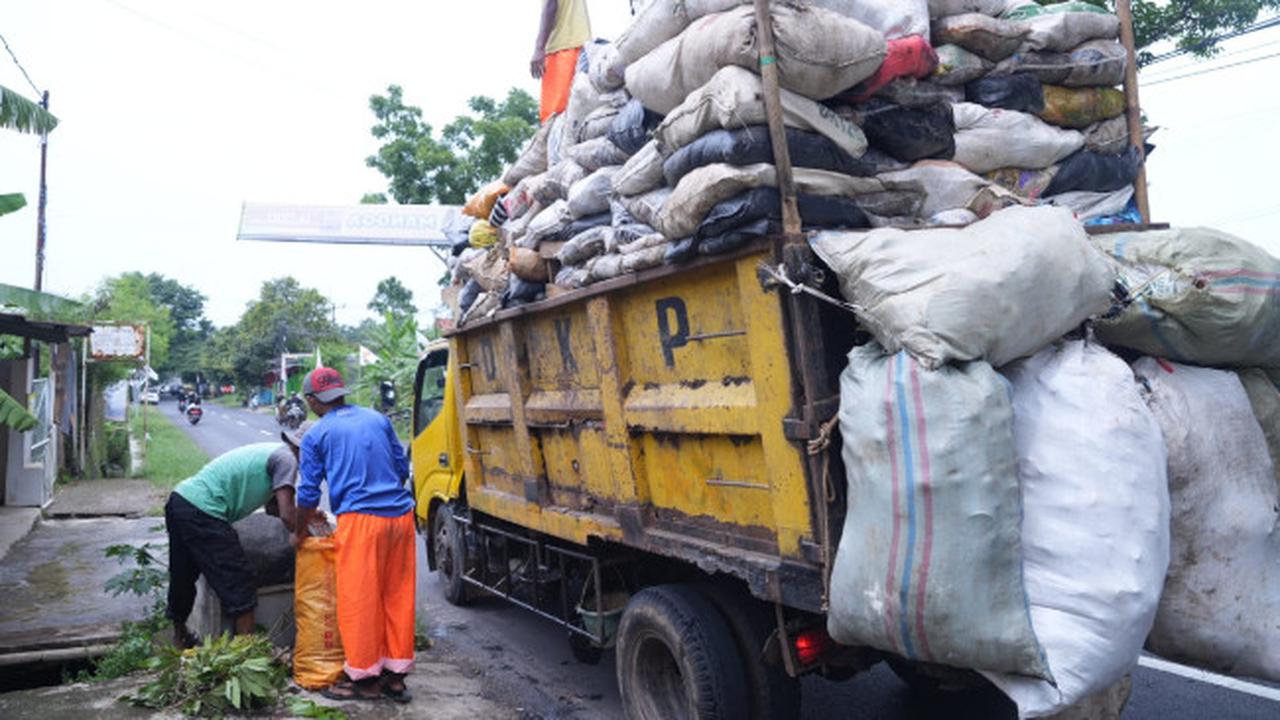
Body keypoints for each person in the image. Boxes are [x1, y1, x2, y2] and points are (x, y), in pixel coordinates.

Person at [293, 367, 416, 703]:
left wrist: (300, 530)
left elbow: (307, 494)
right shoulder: (378, 419)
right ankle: (395, 677)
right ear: (342, 392)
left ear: (313, 401)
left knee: (360, 599)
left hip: (362, 522)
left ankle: (364, 680)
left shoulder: (317, 435)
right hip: (401, 518)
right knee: (397, 596)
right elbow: (402, 467)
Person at [164, 435, 301, 648]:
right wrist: (302, 535)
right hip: (205, 510)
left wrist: (306, 515)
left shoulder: (275, 453)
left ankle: (180, 637)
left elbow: (272, 508)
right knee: (239, 581)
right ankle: (245, 653)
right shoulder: (288, 460)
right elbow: (285, 514)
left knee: (183, 573)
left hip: (180, 500)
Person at [531, 0, 592, 122]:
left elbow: (550, 5)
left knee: (555, 116)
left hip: (562, 50)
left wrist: (539, 48)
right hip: (580, 46)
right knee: (576, 114)